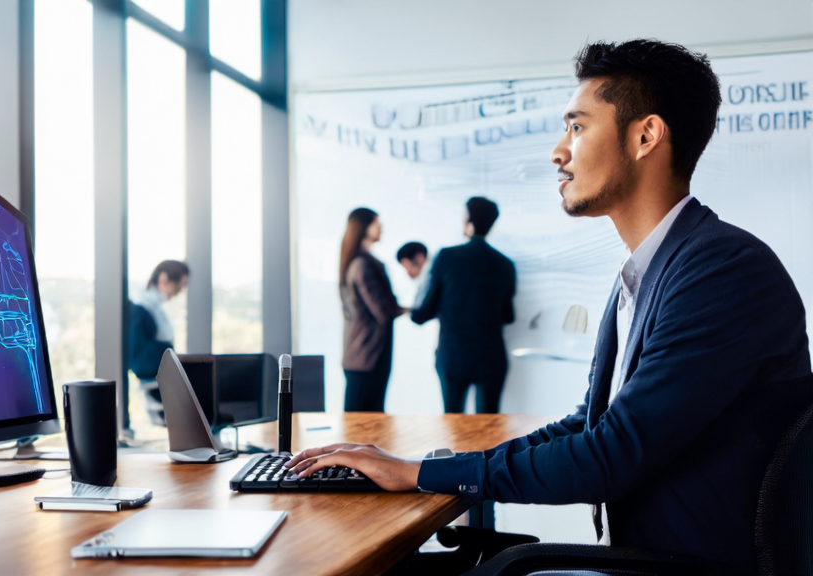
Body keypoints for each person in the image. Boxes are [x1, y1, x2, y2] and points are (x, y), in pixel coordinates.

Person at [286, 39, 812, 573]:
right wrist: (425, 467)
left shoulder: (721, 270)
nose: (558, 151)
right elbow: (590, 424)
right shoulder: (652, 269)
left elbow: (609, 454)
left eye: (577, 127)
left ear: (645, 136)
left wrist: (420, 474)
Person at [411, 197, 515, 414]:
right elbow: (508, 315)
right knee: (490, 430)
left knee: (453, 424)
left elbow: (422, 312)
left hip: (454, 353)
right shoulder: (505, 264)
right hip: (492, 355)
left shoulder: (446, 256)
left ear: (468, 220)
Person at [339, 208, 405, 412]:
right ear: (364, 227)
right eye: (377, 222)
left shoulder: (359, 262)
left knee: (364, 423)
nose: (381, 227)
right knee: (364, 424)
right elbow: (382, 310)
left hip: (363, 355)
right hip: (368, 356)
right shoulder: (363, 265)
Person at [127, 260, 189, 427]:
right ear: (164, 279)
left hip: (163, 385)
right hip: (156, 389)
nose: (181, 291)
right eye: (181, 284)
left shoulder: (154, 308)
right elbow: (139, 359)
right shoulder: (142, 309)